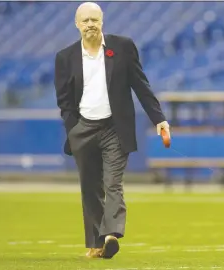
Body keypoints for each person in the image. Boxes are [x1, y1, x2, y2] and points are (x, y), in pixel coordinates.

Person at [54, 2, 170, 259]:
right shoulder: (65, 58)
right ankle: (96, 243)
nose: (90, 24)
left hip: (115, 129)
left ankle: (111, 235)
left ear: (102, 21)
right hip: (83, 128)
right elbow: (63, 100)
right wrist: (73, 128)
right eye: (85, 20)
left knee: (113, 183)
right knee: (90, 187)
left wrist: (159, 119)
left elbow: (141, 85)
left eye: (94, 19)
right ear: (77, 24)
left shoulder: (123, 47)